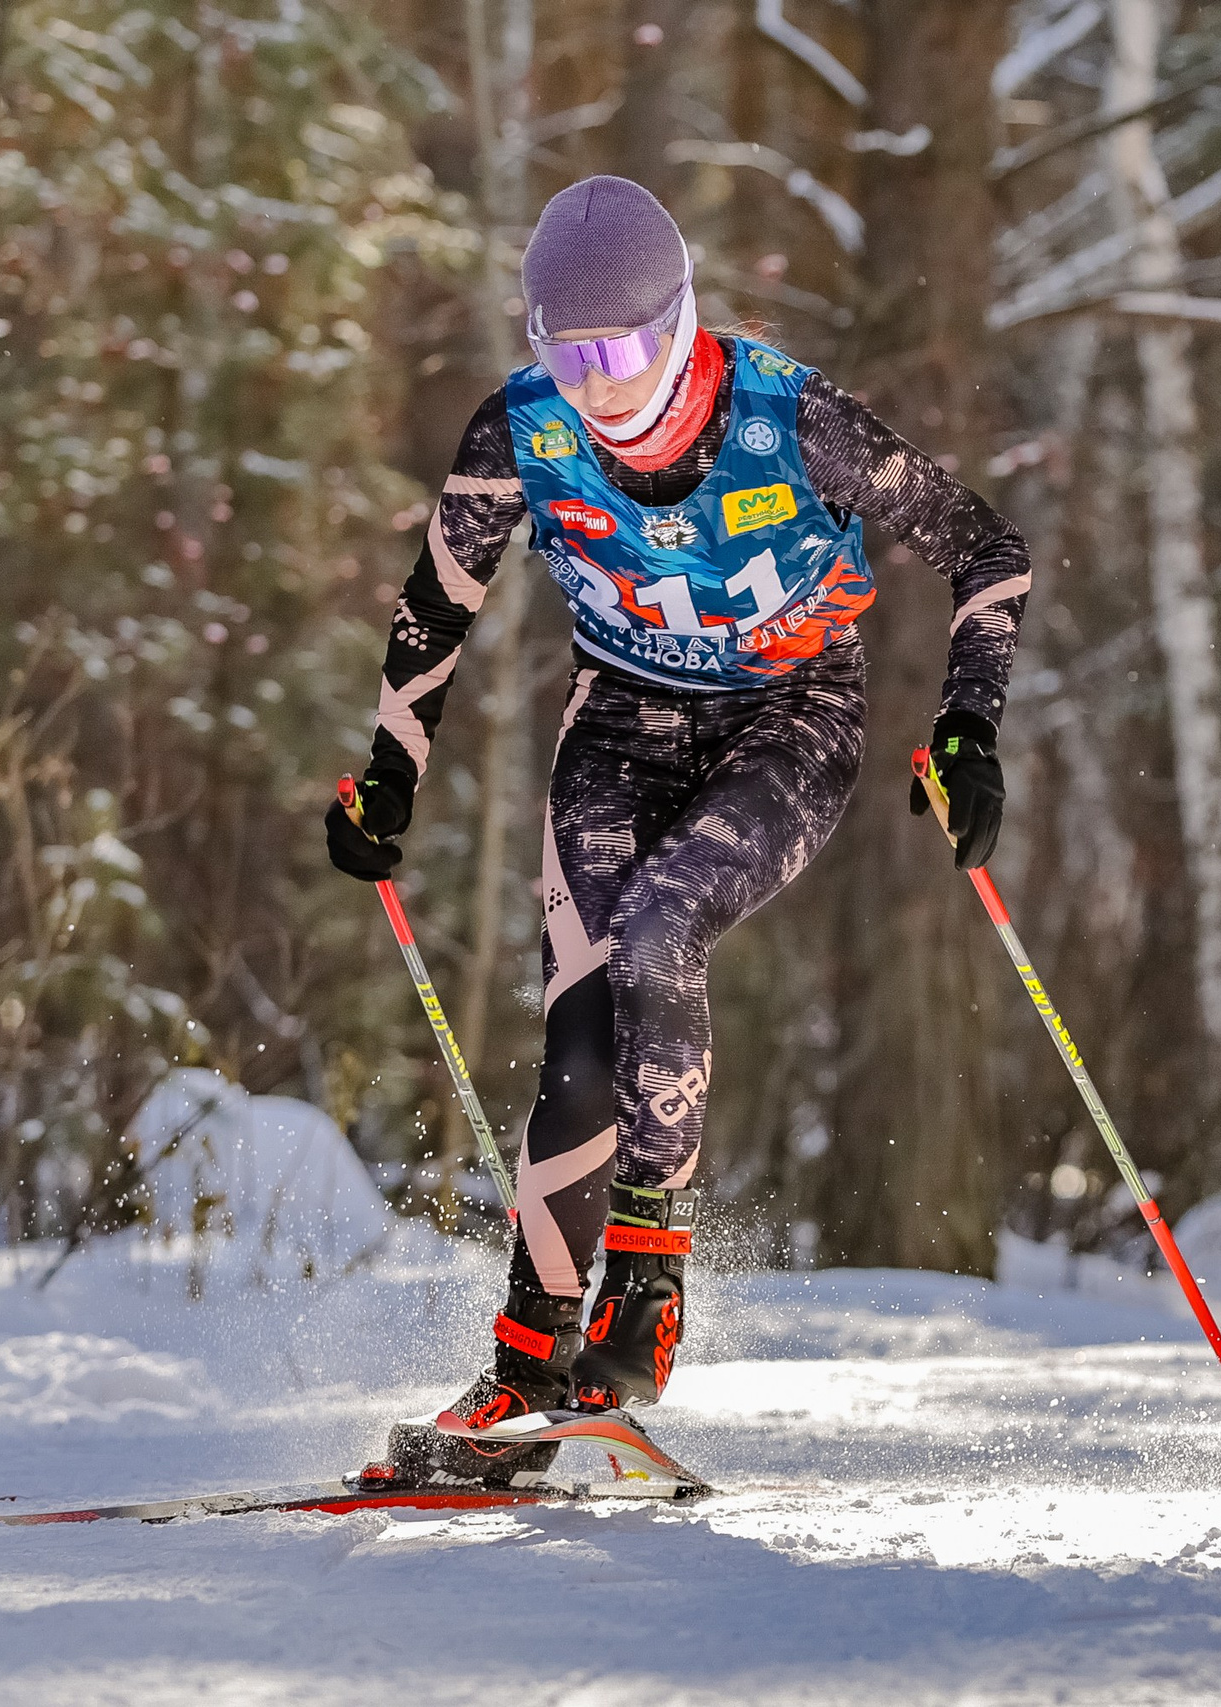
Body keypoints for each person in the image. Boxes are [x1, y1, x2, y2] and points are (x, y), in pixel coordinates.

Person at [327, 175, 1030, 1471]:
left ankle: (646, 1286)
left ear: (686, 320)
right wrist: (389, 772)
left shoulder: (790, 419)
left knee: (660, 928)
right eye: (574, 354)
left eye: (634, 349)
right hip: (623, 718)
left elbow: (988, 550)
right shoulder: (522, 432)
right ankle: (524, 1369)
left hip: (791, 714)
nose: (606, 386)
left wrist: (969, 729)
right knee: (581, 1022)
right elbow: (439, 600)